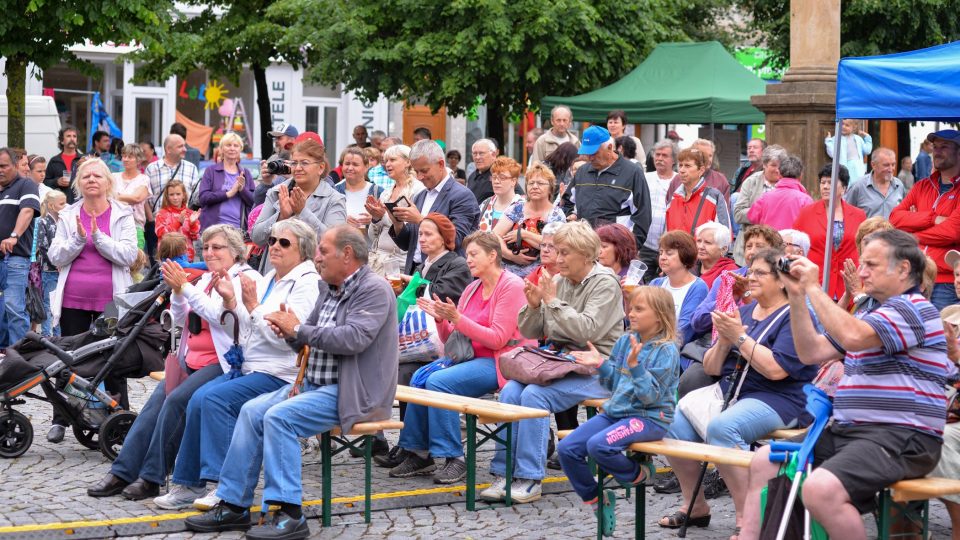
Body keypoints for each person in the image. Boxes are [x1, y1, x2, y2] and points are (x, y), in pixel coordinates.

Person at [182, 226, 397, 539]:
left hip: (354, 392)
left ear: (346, 255)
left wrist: (297, 330)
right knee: (252, 411)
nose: (317, 257)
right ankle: (233, 505)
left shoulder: (374, 289)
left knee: (279, 418)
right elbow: (306, 340)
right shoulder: (328, 288)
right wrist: (290, 334)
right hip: (314, 385)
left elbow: (354, 339)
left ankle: (290, 513)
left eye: (323, 251)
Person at [738, 230, 954, 540]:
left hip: (903, 437)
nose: (861, 271)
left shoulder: (913, 308)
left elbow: (853, 337)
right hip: (849, 432)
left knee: (821, 489)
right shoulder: (873, 314)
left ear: (904, 269)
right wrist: (797, 297)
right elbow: (811, 351)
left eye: (871, 264)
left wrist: (813, 287)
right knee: (764, 461)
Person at [87, 226, 256, 502]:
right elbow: (179, 320)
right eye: (206, 247)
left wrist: (185, 288)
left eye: (217, 247)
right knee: (156, 401)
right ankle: (123, 471)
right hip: (192, 358)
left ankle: (153, 477)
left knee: (177, 400)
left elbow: (219, 318)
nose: (209, 252)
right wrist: (178, 293)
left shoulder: (242, 278)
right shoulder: (204, 280)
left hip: (225, 362)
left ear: (235, 251)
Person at [659, 248, 817, 533]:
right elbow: (711, 369)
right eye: (749, 271)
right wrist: (723, 341)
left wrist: (739, 337)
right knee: (667, 418)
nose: (750, 278)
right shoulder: (742, 311)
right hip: (731, 392)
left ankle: (750, 520)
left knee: (723, 428)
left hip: (779, 398)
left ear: (782, 280)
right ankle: (695, 506)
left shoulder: (794, 315)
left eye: (759, 273)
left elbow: (776, 370)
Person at [166, 219, 320, 510]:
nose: (274, 246)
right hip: (253, 365)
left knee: (214, 399)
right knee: (197, 399)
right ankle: (187, 483)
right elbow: (244, 324)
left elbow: (289, 338)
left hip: (282, 372)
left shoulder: (306, 283)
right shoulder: (269, 277)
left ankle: (220, 485)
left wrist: (249, 306)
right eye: (272, 240)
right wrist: (231, 302)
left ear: (304, 250)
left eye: (284, 242)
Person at [482, 221, 624, 504]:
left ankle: (529, 478)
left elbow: (586, 331)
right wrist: (534, 305)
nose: (557, 259)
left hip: (600, 368)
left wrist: (551, 301)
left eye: (564, 253)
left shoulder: (605, 283)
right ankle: (503, 472)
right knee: (511, 391)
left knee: (534, 395)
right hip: (560, 362)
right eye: (556, 252)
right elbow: (531, 332)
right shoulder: (559, 280)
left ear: (586, 254)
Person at [387, 231, 536, 482]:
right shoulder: (472, 288)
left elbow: (498, 339)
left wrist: (457, 318)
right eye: (467, 254)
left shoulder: (511, 286)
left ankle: (453, 456)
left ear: (492, 255)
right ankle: (418, 452)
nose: (468, 259)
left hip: (503, 361)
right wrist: (441, 318)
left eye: (473, 254)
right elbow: (452, 340)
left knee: (439, 382)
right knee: (419, 379)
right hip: (471, 357)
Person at [558, 286, 680, 506]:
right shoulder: (626, 341)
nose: (630, 313)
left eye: (639, 309)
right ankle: (595, 499)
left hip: (648, 418)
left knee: (598, 445)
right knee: (567, 449)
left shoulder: (666, 351)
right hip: (617, 413)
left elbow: (650, 398)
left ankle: (638, 474)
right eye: (631, 308)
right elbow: (613, 385)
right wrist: (601, 365)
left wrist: (635, 367)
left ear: (659, 318)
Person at [45, 158, 137, 444]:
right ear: (78, 183)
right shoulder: (69, 214)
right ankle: (61, 418)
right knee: (68, 360)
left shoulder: (122, 213)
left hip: (112, 301)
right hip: (73, 299)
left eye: (98, 175)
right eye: (86, 176)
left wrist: (98, 237)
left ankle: (119, 417)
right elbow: (55, 256)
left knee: (113, 360)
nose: (92, 180)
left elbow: (129, 256)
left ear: (108, 182)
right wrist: (77, 241)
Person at [252, 138, 346, 274]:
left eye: (305, 163)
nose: (298, 168)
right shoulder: (277, 192)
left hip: (311, 277)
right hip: (275, 275)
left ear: (320, 168)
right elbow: (257, 237)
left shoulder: (334, 199)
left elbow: (335, 244)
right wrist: (281, 217)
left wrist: (302, 212)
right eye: (294, 163)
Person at [890, 129, 960, 309]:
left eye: (944, 147)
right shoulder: (922, 186)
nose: (936, 151)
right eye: (935, 147)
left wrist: (910, 232)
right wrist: (932, 219)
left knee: (943, 336)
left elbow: (952, 232)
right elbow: (894, 218)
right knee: (914, 335)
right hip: (915, 277)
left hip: (947, 283)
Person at [387, 139, 480, 275]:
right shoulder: (421, 196)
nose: (419, 177)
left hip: (444, 275)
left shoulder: (462, 196)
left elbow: (456, 240)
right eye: (416, 171)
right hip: (414, 270)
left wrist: (420, 220)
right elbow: (409, 245)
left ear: (441, 164)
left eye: (424, 171)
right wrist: (398, 224)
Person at [564, 126, 652, 249]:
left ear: (610, 148)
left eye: (594, 153)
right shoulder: (582, 172)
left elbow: (643, 216)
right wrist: (570, 216)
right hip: (583, 247)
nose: (590, 158)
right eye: (587, 153)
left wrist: (630, 249)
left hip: (615, 250)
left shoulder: (632, 173)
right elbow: (567, 201)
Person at [792, 163, 866, 301]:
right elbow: (793, 244)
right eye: (822, 182)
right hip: (817, 282)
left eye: (830, 183)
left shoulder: (858, 215)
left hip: (848, 284)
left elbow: (864, 248)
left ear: (844, 188)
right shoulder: (807, 213)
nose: (825, 187)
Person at [490, 162, 563, 278]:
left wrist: (523, 234)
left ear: (550, 189)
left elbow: (556, 244)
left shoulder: (556, 214)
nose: (534, 187)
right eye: (531, 183)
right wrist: (510, 255)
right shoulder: (517, 207)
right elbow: (495, 235)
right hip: (507, 273)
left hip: (540, 274)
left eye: (540, 183)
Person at [364, 144, 425, 275]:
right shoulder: (386, 193)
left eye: (392, 160)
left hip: (401, 264)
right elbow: (373, 236)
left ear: (408, 162)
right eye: (386, 161)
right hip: (377, 261)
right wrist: (375, 218)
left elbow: (412, 229)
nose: (387, 164)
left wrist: (383, 217)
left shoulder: (419, 190)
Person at [0, 149, 39, 346]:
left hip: (14, 258)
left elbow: (27, 211)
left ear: (16, 166)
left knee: (14, 308)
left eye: (3, 166)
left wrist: (14, 236)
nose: (0, 170)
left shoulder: (26, 184)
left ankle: (21, 360)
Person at [732, 145, 787, 265]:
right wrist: (762, 211)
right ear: (764, 165)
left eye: (781, 166)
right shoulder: (751, 182)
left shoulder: (790, 184)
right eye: (773, 165)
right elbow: (738, 214)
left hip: (778, 250)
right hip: (750, 250)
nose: (778, 170)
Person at [651, 231, 709, 344]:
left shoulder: (697, 287)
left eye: (669, 253)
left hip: (671, 351)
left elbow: (684, 332)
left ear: (685, 255)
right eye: (661, 252)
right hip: (649, 345)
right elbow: (637, 322)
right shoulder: (656, 283)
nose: (662, 257)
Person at [399, 213, 471, 303]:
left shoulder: (459, 265)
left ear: (443, 239)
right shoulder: (420, 267)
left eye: (428, 234)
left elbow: (440, 295)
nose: (421, 239)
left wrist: (413, 281)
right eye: (420, 234)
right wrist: (399, 290)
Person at [665, 147, 731, 235]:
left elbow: (724, 237)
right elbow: (667, 234)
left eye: (687, 166)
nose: (681, 170)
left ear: (701, 170)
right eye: (680, 165)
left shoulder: (714, 198)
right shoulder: (674, 198)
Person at [196, 132, 255, 232]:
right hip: (212, 229)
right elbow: (203, 198)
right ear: (222, 149)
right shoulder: (211, 171)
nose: (232, 148)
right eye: (228, 145)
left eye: (236, 146)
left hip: (237, 230)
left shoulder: (246, 173)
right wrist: (228, 193)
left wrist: (242, 190)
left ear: (240, 149)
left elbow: (253, 202)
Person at [639, 140, 679, 280]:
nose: (660, 159)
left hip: (670, 247)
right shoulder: (644, 178)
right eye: (657, 155)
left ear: (674, 159)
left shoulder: (679, 181)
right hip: (645, 245)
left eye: (664, 155)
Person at [746, 155, 812, 230]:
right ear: (801, 175)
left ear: (779, 174)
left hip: (769, 240)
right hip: (793, 241)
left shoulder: (765, 197)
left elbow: (751, 217)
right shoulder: (806, 200)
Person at [665, 139, 730, 208]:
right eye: (704, 154)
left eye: (710, 155)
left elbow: (724, 211)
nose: (708, 159)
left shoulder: (721, 180)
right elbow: (669, 207)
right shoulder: (678, 179)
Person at [334, 147, 383, 238]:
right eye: (347, 164)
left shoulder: (378, 192)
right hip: (341, 246)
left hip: (370, 249)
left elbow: (390, 224)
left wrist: (375, 220)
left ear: (366, 167)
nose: (350, 168)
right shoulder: (333, 191)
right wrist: (341, 220)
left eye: (355, 164)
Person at [844, 147, 906, 219]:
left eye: (893, 165)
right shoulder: (858, 186)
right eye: (886, 165)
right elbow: (847, 214)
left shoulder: (899, 186)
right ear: (873, 165)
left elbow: (903, 213)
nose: (891, 169)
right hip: (866, 230)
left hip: (893, 230)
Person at [36, 191, 66, 337]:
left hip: (63, 269)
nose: (65, 206)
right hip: (50, 270)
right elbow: (43, 246)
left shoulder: (64, 221)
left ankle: (58, 333)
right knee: (49, 303)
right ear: (51, 205)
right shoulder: (43, 221)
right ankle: (47, 335)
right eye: (62, 203)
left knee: (59, 303)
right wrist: (55, 263)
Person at [113, 144, 151, 249]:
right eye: (124, 156)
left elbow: (137, 198)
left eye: (130, 157)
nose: (125, 159)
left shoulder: (143, 179)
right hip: (114, 225)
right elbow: (106, 198)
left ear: (138, 160)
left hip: (135, 226)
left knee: (136, 263)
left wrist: (117, 197)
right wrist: (127, 198)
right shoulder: (113, 177)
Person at [155, 181, 202, 261]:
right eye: (171, 194)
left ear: (184, 195)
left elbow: (196, 237)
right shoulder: (161, 214)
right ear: (167, 196)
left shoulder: (190, 213)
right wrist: (178, 223)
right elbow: (161, 234)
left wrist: (193, 224)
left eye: (178, 194)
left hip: (187, 257)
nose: (175, 197)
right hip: (168, 257)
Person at [477, 156, 523, 232]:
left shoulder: (522, 207)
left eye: (502, 178)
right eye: (494, 177)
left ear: (513, 181)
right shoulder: (485, 204)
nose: (496, 181)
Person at [44, 125, 81, 204]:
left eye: (74, 136)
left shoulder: (83, 160)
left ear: (77, 140)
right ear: (62, 141)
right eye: (68, 136)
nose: (72, 139)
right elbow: (45, 182)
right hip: (60, 204)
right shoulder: (54, 160)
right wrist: (56, 182)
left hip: (80, 202)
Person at [695, 221, 736, 289]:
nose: (701, 247)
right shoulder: (689, 266)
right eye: (699, 241)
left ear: (723, 249)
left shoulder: (730, 272)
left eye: (708, 243)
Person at [466, 139, 499, 203]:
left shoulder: (501, 175)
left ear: (493, 154)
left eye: (481, 153)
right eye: (475, 154)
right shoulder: (472, 176)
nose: (477, 157)